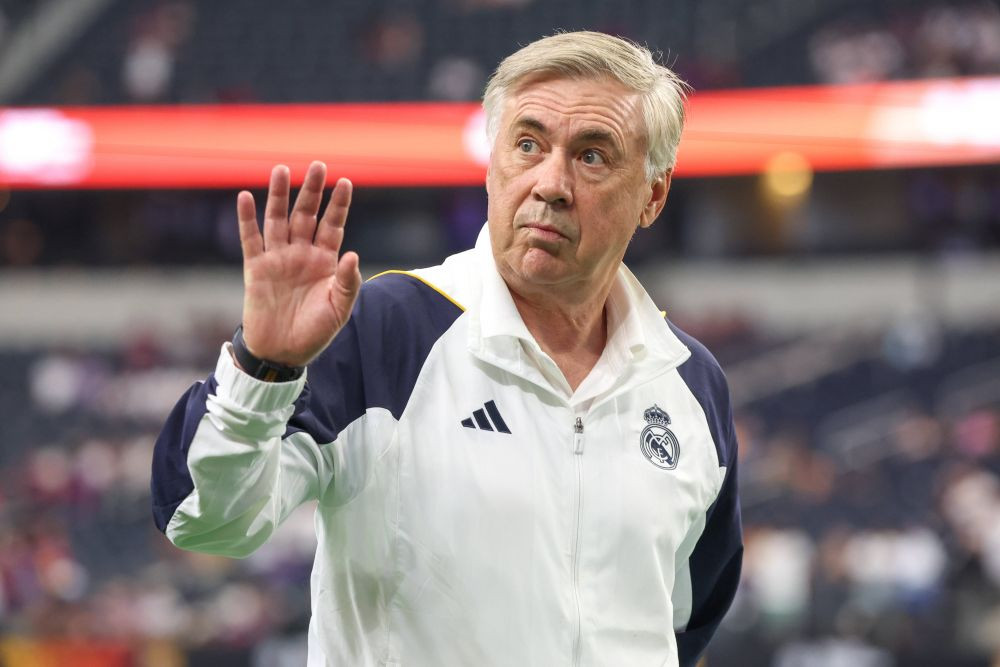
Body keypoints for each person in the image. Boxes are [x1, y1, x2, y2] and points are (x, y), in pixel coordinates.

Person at [151, 30, 741, 667]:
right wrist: (262, 367)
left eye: (592, 156)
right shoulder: (388, 330)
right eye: (527, 145)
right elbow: (202, 516)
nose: (551, 184)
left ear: (653, 195)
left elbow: (681, 624)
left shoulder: (691, 384)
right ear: (492, 163)